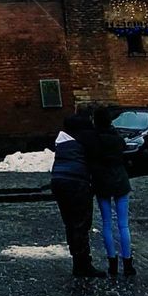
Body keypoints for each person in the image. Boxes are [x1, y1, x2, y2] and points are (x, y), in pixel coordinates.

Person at [50, 110, 104, 278]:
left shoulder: (63, 141)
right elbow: (97, 159)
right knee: (81, 224)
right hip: (77, 182)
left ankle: (77, 261)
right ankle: (83, 264)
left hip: (58, 180)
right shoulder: (87, 138)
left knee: (70, 223)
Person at [91, 106, 135, 278]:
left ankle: (112, 264)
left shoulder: (94, 139)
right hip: (120, 181)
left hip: (102, 182)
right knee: (123, 225)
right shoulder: (116, 138)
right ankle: (128, 263)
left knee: (107, 224)